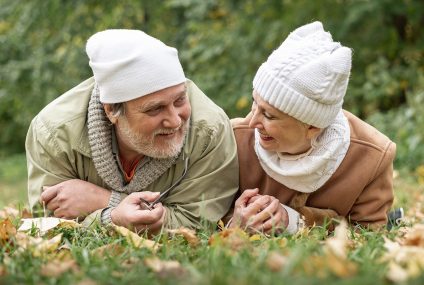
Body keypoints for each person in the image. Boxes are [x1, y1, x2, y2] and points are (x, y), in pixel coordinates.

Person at [25, 29, 239, 234]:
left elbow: (197, 224)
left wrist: (107, 204)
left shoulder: (210, 130)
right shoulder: (54, 133)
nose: (175, 121)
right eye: (155, 109)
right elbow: (47, 225)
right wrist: (115, 216)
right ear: (111, 111)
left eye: (180, 99)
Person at [229, 21, 396, 234]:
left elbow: (367, 234)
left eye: (269, 115)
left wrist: (295, 222)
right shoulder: (233, 139)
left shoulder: (372, 157)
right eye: (255, 103)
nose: (252, 122)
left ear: (313, 127)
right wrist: (234, 222)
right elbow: (199, 214)